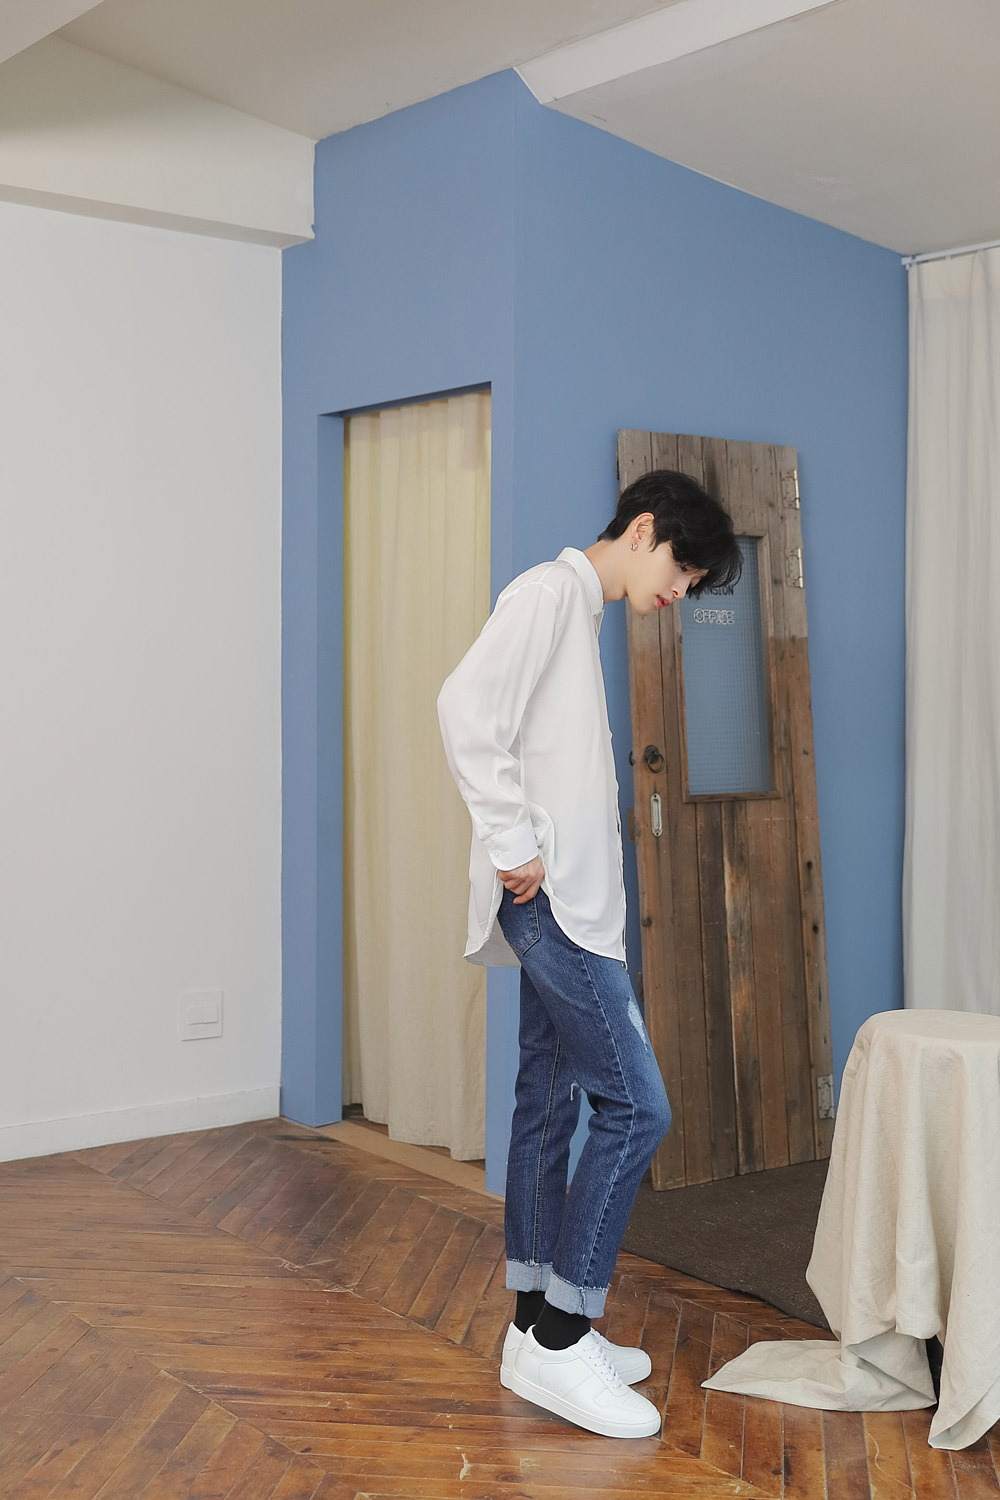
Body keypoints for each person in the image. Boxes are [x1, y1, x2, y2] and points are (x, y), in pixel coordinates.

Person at [436, 468, 742, 1439]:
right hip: (556, 905)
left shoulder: (581, 608)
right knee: (635, 1107)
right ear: (643, 528)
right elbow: (463, 707)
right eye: (683, 569)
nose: (681, 591)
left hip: (570, 905)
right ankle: (564, 1338)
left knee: (548, 1102)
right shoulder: (548, 593)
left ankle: (536, 1327)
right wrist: (511, 842)